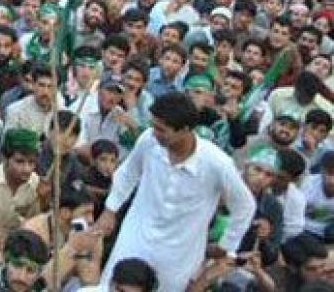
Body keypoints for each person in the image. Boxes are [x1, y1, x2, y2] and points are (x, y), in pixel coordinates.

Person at [93, 92, 256, 292]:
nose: (154, 133)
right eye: (154, 126)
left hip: (179, 253)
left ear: (185, 130)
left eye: (161, 130)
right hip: (136, 236)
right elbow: (127, 174)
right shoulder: (149, 141)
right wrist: (110, 211)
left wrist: (227, 245)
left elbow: (245, 205)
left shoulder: (217, 163)